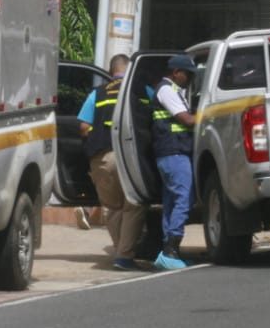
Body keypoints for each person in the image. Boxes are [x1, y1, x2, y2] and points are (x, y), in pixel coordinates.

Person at [78, 54, 146, 271]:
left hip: (102, 158)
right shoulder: (141, 91)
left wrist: (97, 133)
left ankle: (120, 251)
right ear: (130, 71)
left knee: (113, 207)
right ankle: (124, 256)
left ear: (110, 72)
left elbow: (83, 127)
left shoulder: (97, 93)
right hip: (131, 157)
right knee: (133, 204)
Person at [151, 54, 197, 270]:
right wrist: (211, 113)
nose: (189, 78)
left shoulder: (173, 91)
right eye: (187, 74)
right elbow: (186, 120)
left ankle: (168, 252)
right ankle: (171, 248)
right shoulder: (166, 90)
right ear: (176, 72)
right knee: (183, 198)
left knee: (171, 200)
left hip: (170, 153)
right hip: (174, 152)